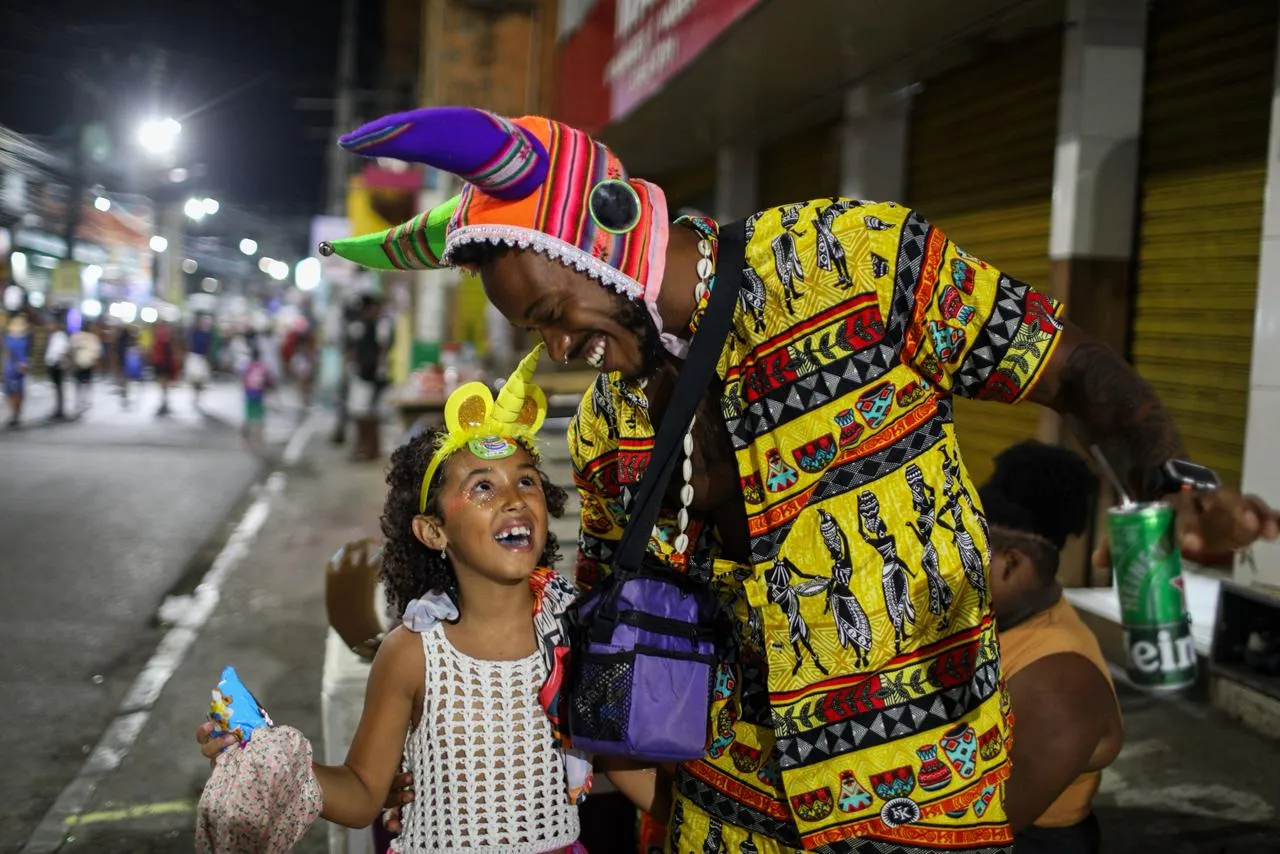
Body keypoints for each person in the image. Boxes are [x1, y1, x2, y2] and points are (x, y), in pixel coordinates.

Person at [323, 106, 1280, 853]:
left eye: (554, 310)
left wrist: (1174, 478)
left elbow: (1062, 365)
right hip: (715, 814)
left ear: (607, 234)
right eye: (538, 331)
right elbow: (587, 627)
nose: (560, 344)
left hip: (917, 798)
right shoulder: (615, 421)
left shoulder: (846, 262)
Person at [196, 346, 656, 852]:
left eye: (526, 480)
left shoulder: (573, 634)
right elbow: (362, 792)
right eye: (482, 487)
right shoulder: (412, 654)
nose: (513, 497)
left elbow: (625, 767)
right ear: (434, 531)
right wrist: (267, 754)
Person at [979, 442, 1121, 854]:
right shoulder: (1001, 621)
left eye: (968, 551)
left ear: (1012, 563)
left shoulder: (1058, 680)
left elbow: (988, 827)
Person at [346, 293, 394, 461]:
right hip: (364, 375)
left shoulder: (382, 325)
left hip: (374, 376)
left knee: (370, 415)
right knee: (362, 414)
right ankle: (365, 448)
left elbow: (383, 349)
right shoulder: (363, 325)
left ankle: (370, 450)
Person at [241, 343, 273, 455]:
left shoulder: (247, 366)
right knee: (259, 418)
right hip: (259, 395)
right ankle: (258, 442)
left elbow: (243, 380)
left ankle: (247, 438)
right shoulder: (263, 367)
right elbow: (268, 380)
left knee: (248, 417)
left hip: (250, 394)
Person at [4, 311, 32, 428]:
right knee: (17, 392)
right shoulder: (23, 340)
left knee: (12, 392)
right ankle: (16, 414)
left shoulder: (11, 340)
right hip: (16, 368)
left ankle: (15, 414)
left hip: (13, 368)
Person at [69, 319, 103, 415]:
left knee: (80, 383)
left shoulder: (77, 337)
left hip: (80, 363)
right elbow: (96, 353)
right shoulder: (92, 338)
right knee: (86, 382)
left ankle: (81, 400)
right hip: (86, 363)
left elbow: (71, 350)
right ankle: (84, 400)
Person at [44, 312, 70, 420]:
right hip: (53, 365)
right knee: (57, 389)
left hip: (57, 366)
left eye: (52, 324)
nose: (50, 326)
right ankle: (58, 409)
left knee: (59, 388)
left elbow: (61, 351)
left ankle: (60, 410)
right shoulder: (54, 336)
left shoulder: (60, 336)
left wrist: (56, 362)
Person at [186, 313, 215, 408]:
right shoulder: (193, 332)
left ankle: (198, 396)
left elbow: (208, 346)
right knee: (194, 378)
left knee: (201, 379)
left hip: (202, 357)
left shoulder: (207, 333)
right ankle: (195, 395)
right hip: (194, 356)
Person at [151, 319, 180, 416]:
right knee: (163, 383)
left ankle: (164, 402)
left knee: (163, 383)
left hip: (164, 361)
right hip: (161, 360)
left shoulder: (163, 334)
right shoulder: (164, 333)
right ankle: (164, 401)